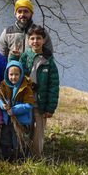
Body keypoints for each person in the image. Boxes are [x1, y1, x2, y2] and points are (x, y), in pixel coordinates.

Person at [12, 24, 59, 158]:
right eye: (32, 38)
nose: (35, 41)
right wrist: (13, 58)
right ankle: (23, 154)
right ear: (28, 40)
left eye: (38, 38)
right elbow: (15, 73)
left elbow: (53, 85)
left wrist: (50, 107)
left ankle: (37, 157)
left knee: (38, 133)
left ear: (43, 40)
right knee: (26, 129)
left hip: (41, 103)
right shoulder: (25, 56)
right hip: (27, 100)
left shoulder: (48, 60)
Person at [0, 60, 35, 161]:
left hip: (20, 121)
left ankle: (20, 158)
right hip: (7, 120)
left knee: (19, 139)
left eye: (16, 74)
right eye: (11, 74)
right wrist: (2, 105)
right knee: (5, 139)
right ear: (7, 74)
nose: (13, 77)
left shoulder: (26, 87)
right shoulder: (4, 85)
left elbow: (29, 105)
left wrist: (14, 110)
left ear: (21, 74)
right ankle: (7, 158)